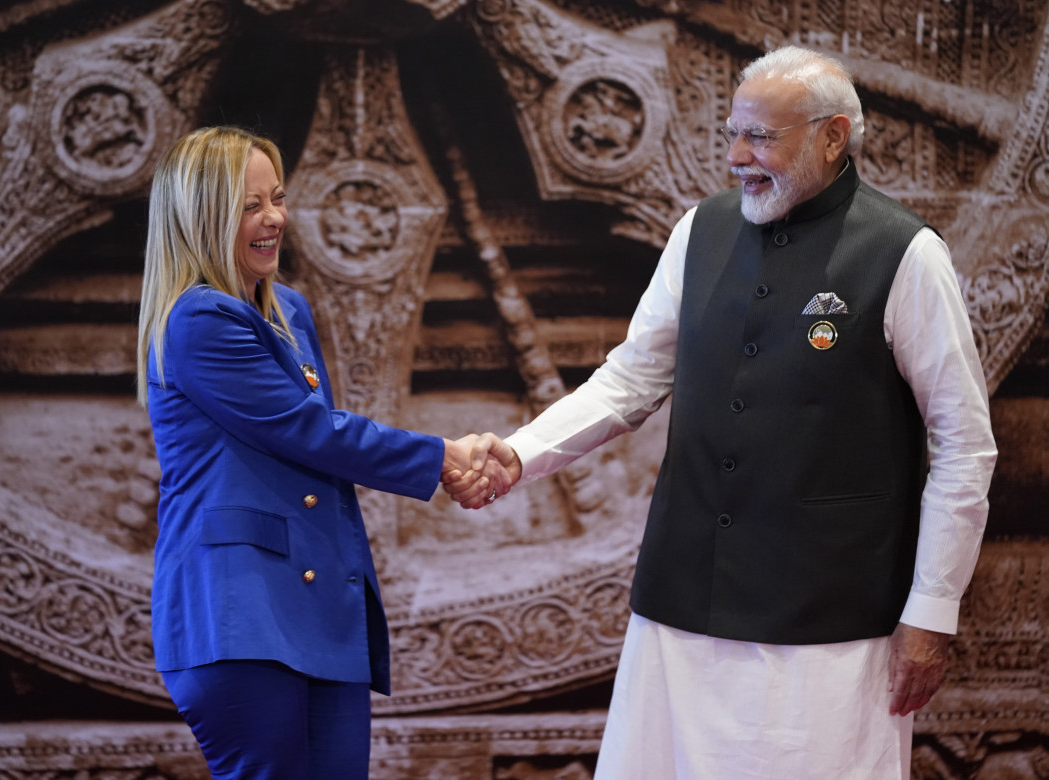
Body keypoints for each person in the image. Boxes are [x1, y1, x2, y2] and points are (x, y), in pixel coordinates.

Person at [448, 46, 997, 779]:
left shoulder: (906, 254)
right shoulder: (698, 232)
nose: (737, 155)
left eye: (761, 137)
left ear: (833, 137)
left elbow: (964, 444)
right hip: (681, 606)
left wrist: (931, 612)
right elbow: (630, 379)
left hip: (829, 625)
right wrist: (522, 453)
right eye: (733, 133)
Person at [136, 125, 503, 780]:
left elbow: (319, 446)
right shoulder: (196, 320)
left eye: (276, 198)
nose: (274, 218)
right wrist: (444, 457)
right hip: (240, 617)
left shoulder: (289, 312)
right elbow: (311, 433)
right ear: (201, 218)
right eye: (250, 206)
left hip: (320, 613)